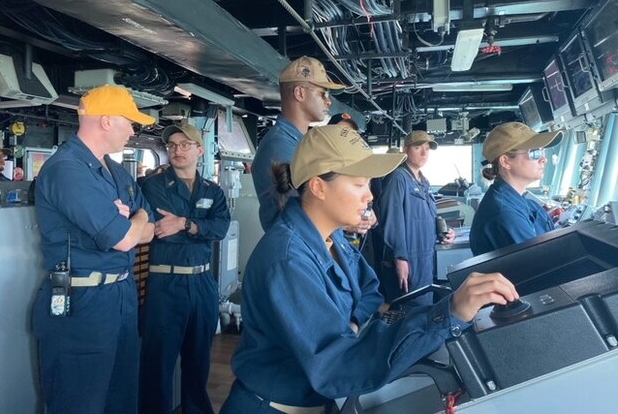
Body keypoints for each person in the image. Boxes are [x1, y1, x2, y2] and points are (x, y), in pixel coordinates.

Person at [219, 125, 519, 414]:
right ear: (318, 186)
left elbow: (370, 291)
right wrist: (448, 314)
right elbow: (337, 367)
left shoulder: (331, 238)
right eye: (359, 184)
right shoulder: (288, 260)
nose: (370, 195)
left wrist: (350, 324)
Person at [32, 84, 156, 414]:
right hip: (82, 304)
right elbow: (126, 239)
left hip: (121, 295)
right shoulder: (66, 170)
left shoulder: (117, 172)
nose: (133, 130)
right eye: (129, 121)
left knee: (122, 400)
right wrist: (134, 225)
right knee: (79, 404)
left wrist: (137, 218)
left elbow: (150, 229)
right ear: (105, 121)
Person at [139, 123, 231, 414]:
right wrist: (195, 227)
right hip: (166, 282)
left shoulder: (212, 191)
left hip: (203, 281)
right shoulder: (153, 185)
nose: (177, 151)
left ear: (199, 150)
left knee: (198, 360)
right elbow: (161, 229)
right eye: (172, 146)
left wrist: (185, 223)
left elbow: (222, 228)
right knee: (158, 364)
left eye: (184, 145)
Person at [252, 55, 345, 231]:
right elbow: (305, 209)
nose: (328, 101)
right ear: (300, 93)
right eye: (323, 93)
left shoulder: (297, 142)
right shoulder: (279, 146)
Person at [377, 130, 455, 305]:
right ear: (406, 150)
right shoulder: (398, 178)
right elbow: (391, 220)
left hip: (427, 255)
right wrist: (400, 258)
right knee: (413, 310)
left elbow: (430, 215)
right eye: (418, 147)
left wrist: (445, 232)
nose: (424, 153)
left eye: (427, 148)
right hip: (410, 257)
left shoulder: (423, 182)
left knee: (426, 306)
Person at [469, 122, 563, 256]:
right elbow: (540, 262)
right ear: (506, 162)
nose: (544, 159)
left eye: (543, 151)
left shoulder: (518, 200)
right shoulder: (504, 213)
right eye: (535, 153)